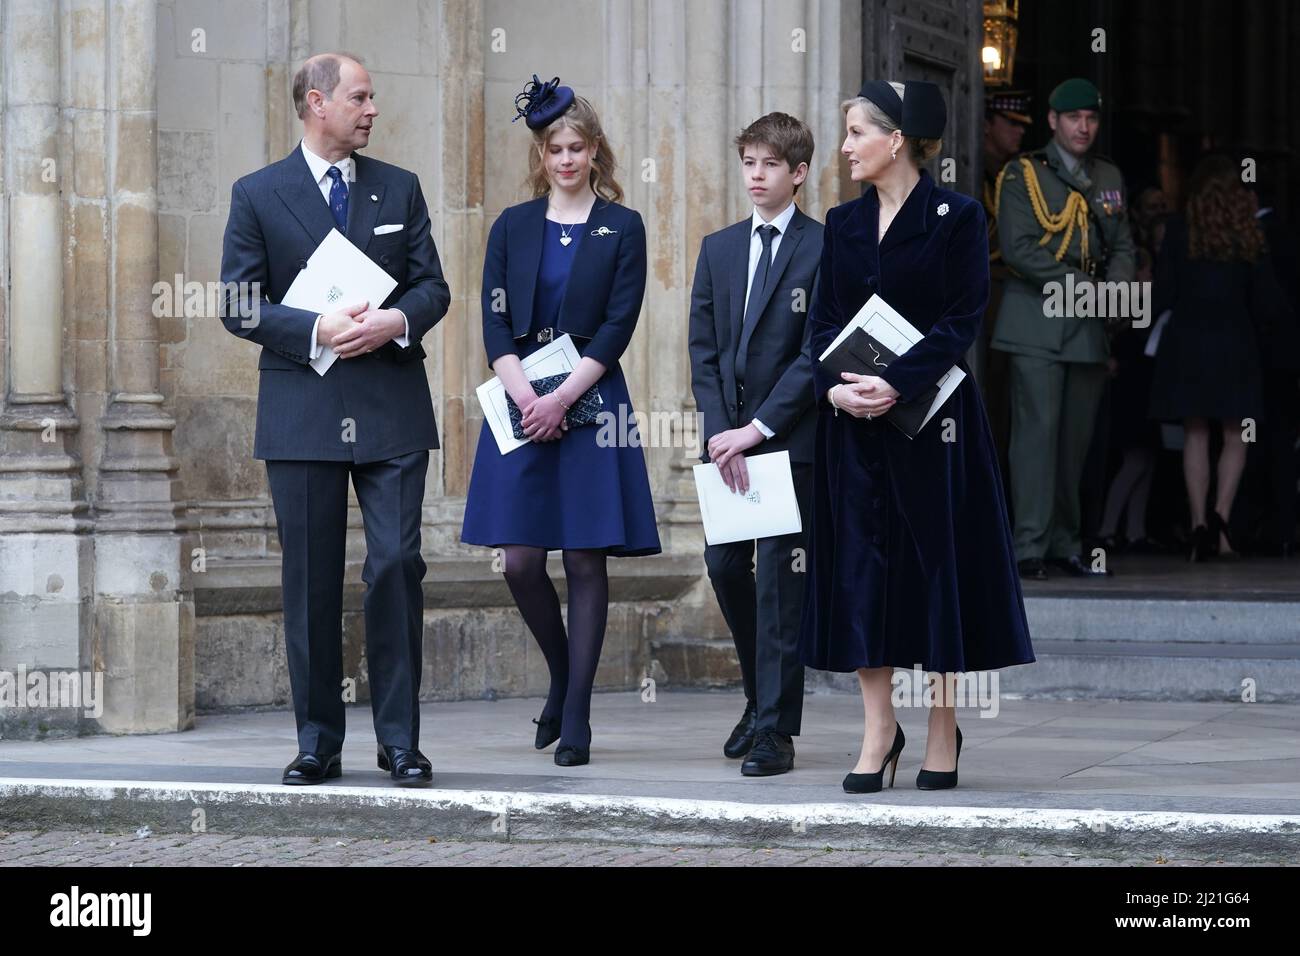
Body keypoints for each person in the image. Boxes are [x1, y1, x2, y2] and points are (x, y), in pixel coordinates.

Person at [219, 53, 449, 786]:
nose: (372, 109)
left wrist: (395, 323)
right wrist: (316, 327)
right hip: (302, 410)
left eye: (373, 96)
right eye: (360, 96)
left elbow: (433, 288)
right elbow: (236, 303)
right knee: (310, 580)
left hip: (391, 407)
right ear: (316, 103)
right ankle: (317, 739)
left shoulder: (400, 188)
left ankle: (400, 741)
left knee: (396, 565)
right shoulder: (257, 194)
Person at [799, 80, 1034, 795]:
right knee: (865, 574)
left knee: (936, 574)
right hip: (855, 430)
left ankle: (940, 726)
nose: (843, 147)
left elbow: (963, 319)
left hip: (936, 428)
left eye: (855, 133)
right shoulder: (840, 223)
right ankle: (878, 729)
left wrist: (897, 382)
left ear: (896, 140)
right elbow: (820, 326)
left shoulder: (957, 217)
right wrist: (834, 387)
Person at [460, 76, 661, 767]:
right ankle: (560, 675)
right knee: (518, 561)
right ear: (541, 155)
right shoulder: (512, 226)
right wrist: (525, 396)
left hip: (592, 400)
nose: (566, 159)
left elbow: (617, 324)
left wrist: (562, 398)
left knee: (583, 556)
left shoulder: (622, 226)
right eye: (555, 148)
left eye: (577, 147)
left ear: (596, 151)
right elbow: (492, 319)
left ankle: (576, 715)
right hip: (520, 400)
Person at [688, 113, 823, 777]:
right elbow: (704, 348)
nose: (756, 176)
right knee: (722, 568)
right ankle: (757, 694)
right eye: (749, 163)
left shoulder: (823, 249)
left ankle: (775, 730)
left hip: (785, 444)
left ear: (798, 173)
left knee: (779, 586)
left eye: (770, 164)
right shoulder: (717, 248)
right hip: (726, 446)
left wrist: (757, 429)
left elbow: (814, 356)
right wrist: (720, 431)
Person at [991, 77, 1136, 580]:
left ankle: (1066, 543)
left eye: (1091, 119)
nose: (1084, 127)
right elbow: (1019, 248)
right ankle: (1028, 544)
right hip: (1036, 322)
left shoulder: (1109, 176)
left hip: (1088, 331)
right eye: (1074, 118)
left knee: (1075, 444)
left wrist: (1115, 288)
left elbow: (1121, 245)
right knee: (1036, 438)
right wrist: (1085, 287)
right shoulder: (1022, 174)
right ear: (1053, 121)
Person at [1147, 155, 1271, 560]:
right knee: (1236, 435)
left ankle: (1199, 521)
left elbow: (1164, 293)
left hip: (1188, 343)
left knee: (1195, 433)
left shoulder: (1181, 230)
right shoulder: (1247, 232)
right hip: (1235, 343)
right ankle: (1221, 521)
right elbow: (1265, 302)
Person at [978, 91, 1033, 482]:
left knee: (1003, 401)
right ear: (986, 124)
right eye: (1010, 123)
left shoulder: (1018, 176)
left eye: (1021, 126)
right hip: (982, 293)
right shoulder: (973, 170)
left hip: (1004, 296)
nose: (1017, 133)